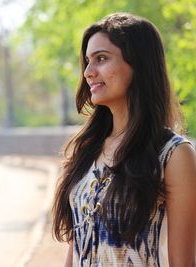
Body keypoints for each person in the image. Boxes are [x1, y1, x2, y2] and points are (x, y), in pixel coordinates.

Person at [52, 13, 196, 266]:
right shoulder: (87, 149)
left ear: (138, 64)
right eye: (87, 61)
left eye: (102, 59)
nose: (88, 72)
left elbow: (183, 261)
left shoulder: (173, 155)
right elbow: (75, 252)